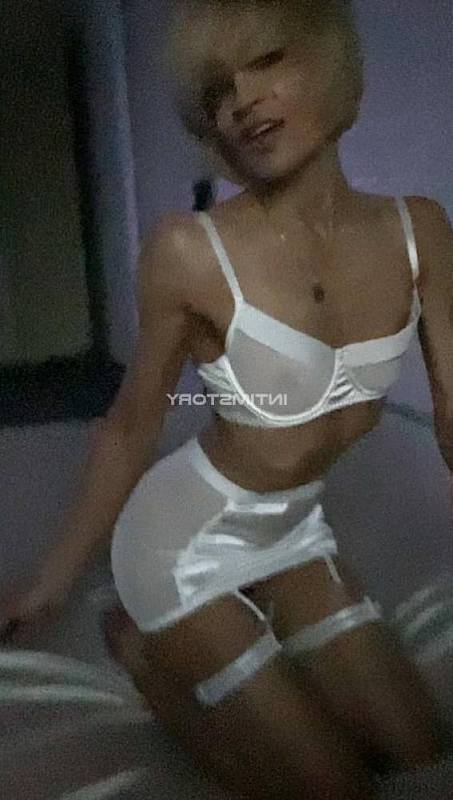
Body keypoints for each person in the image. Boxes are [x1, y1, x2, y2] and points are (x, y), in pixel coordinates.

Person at [2, 1, 453, 798]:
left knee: (420, 751)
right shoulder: (188, 251)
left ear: (331, 65)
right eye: (215, 91)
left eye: (267, 61)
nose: (240, 100)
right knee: (337, 788)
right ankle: (143, 652)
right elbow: (133, 425)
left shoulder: (419, 229)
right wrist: (51, 582)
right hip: (182, 550)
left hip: (297, 532)